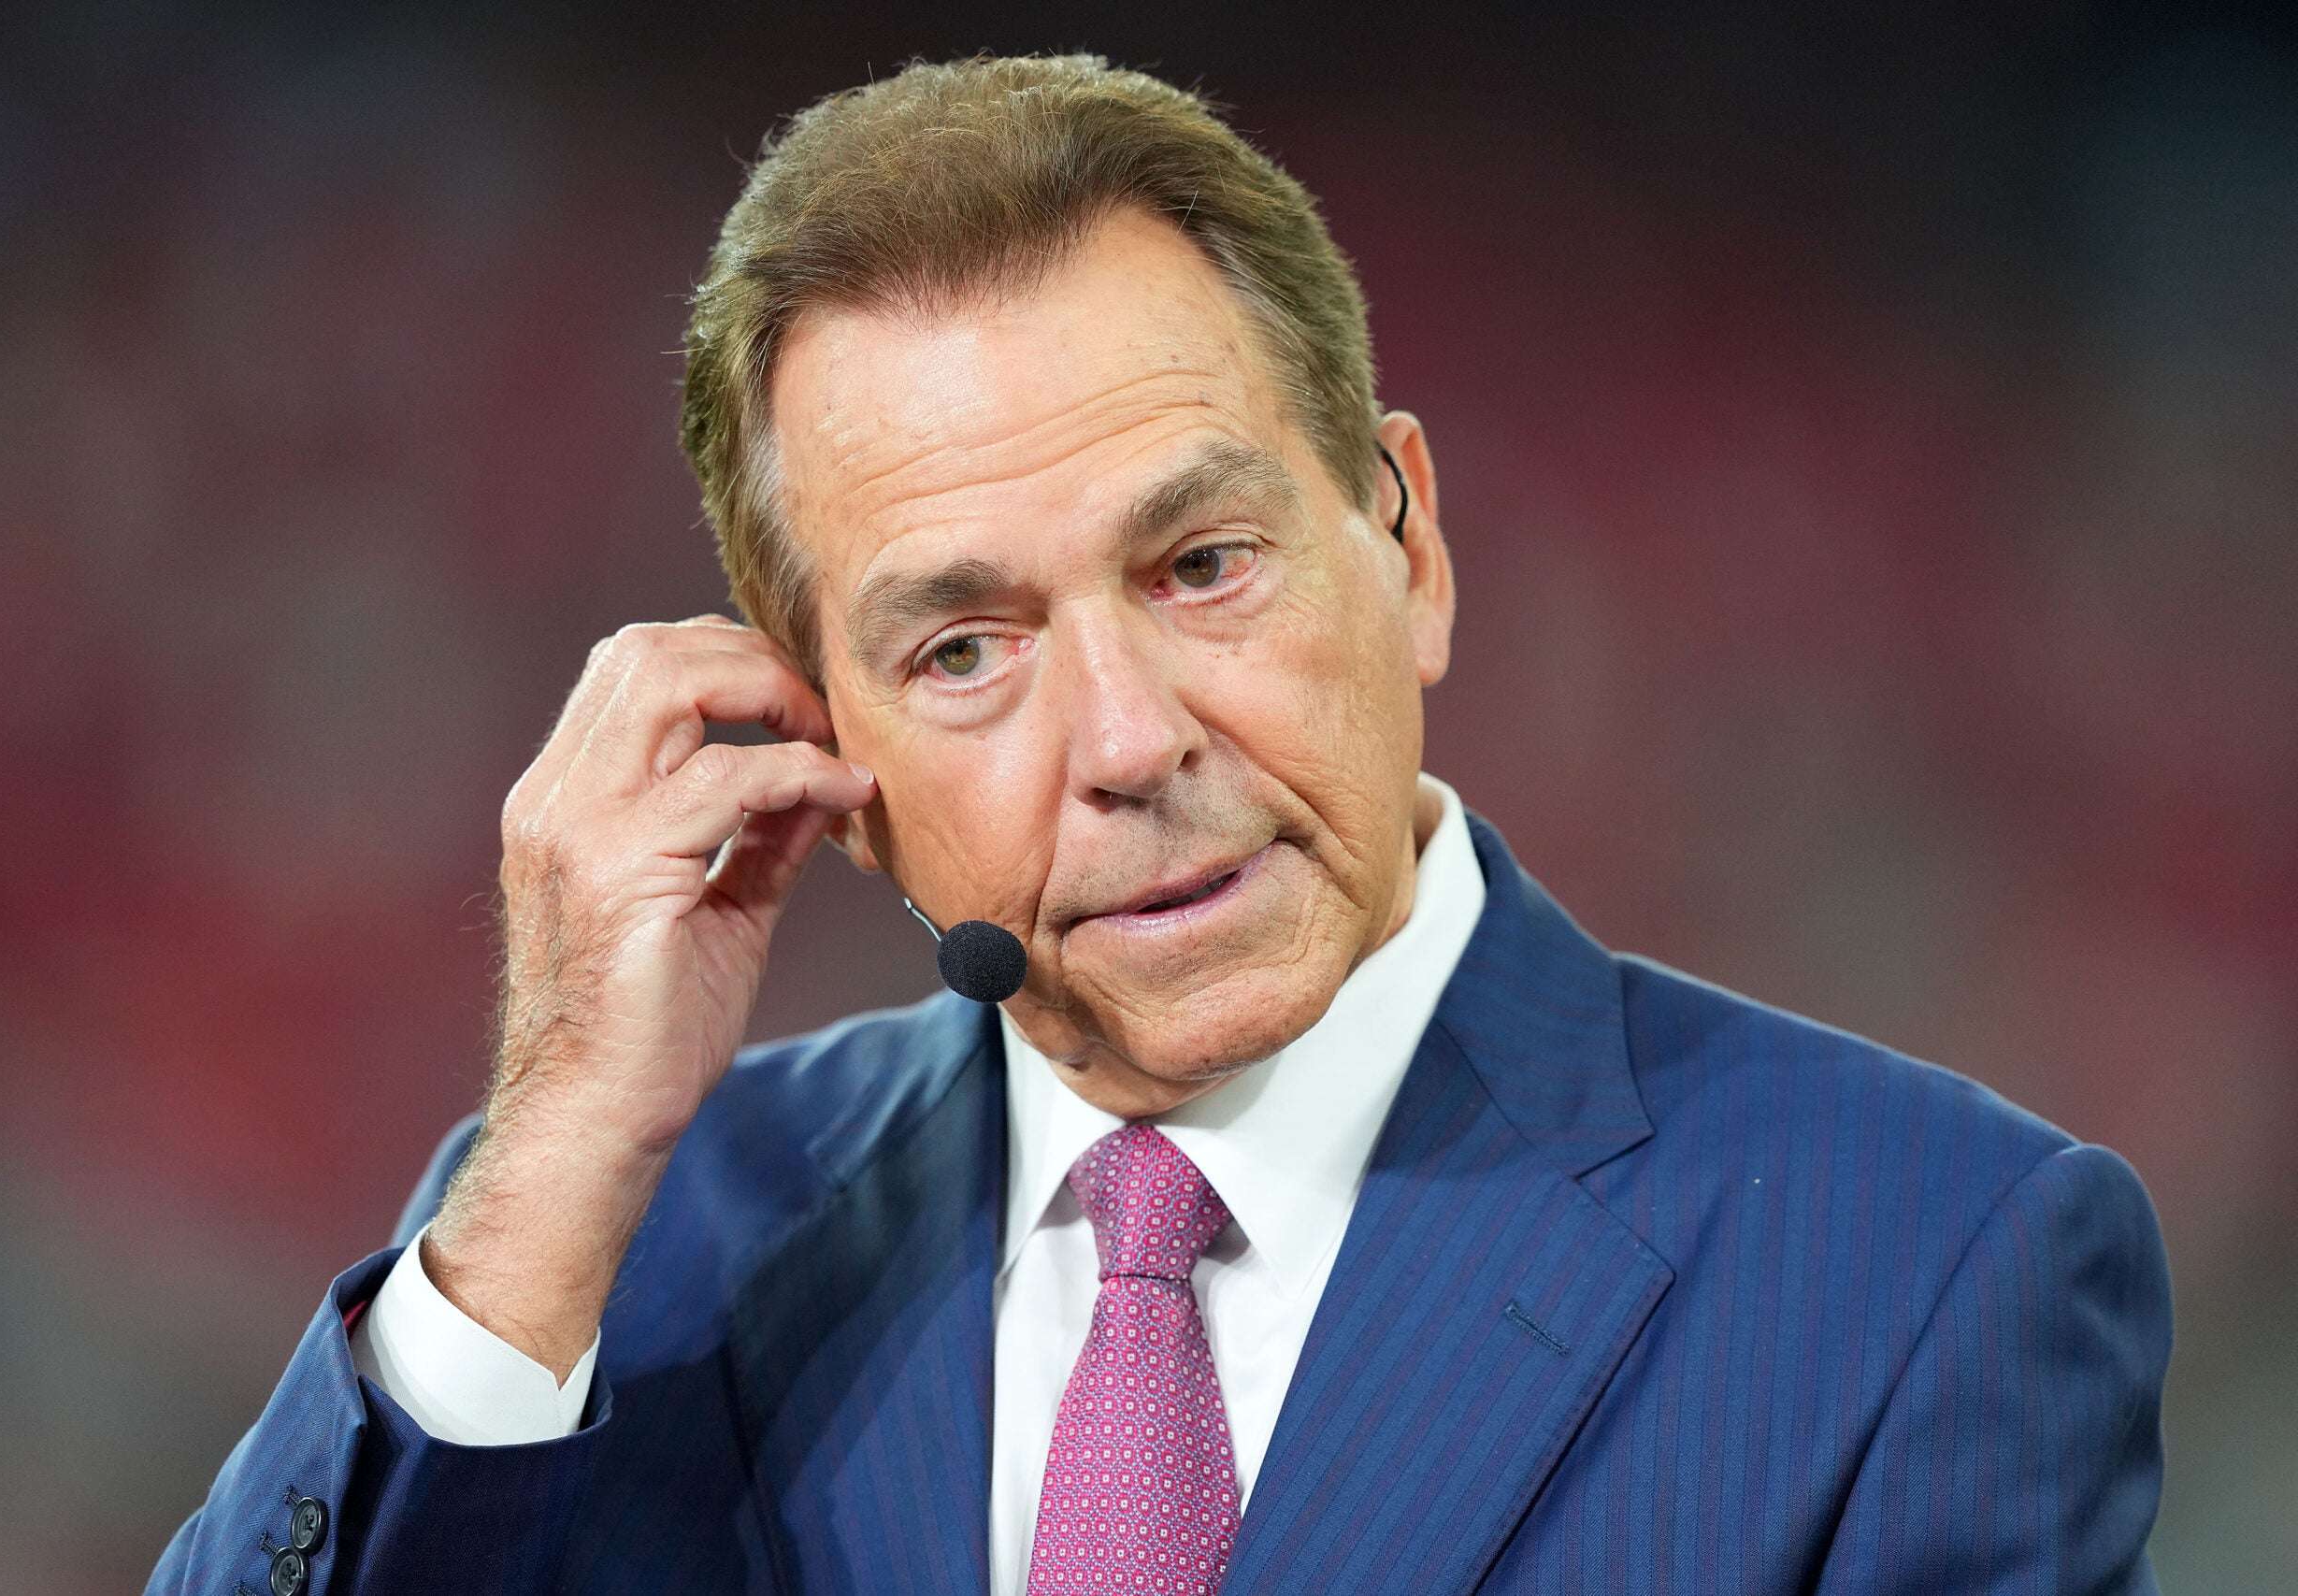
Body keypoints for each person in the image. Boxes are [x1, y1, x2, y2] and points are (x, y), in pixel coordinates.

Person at [147, 53, 2171, 1596]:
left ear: (1405, 542)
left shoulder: (1928, 1263)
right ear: (813, 726)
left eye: (1201, 561)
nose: (1122, 739)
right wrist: (554, 1147)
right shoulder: (608, 1255)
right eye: (959, 649)